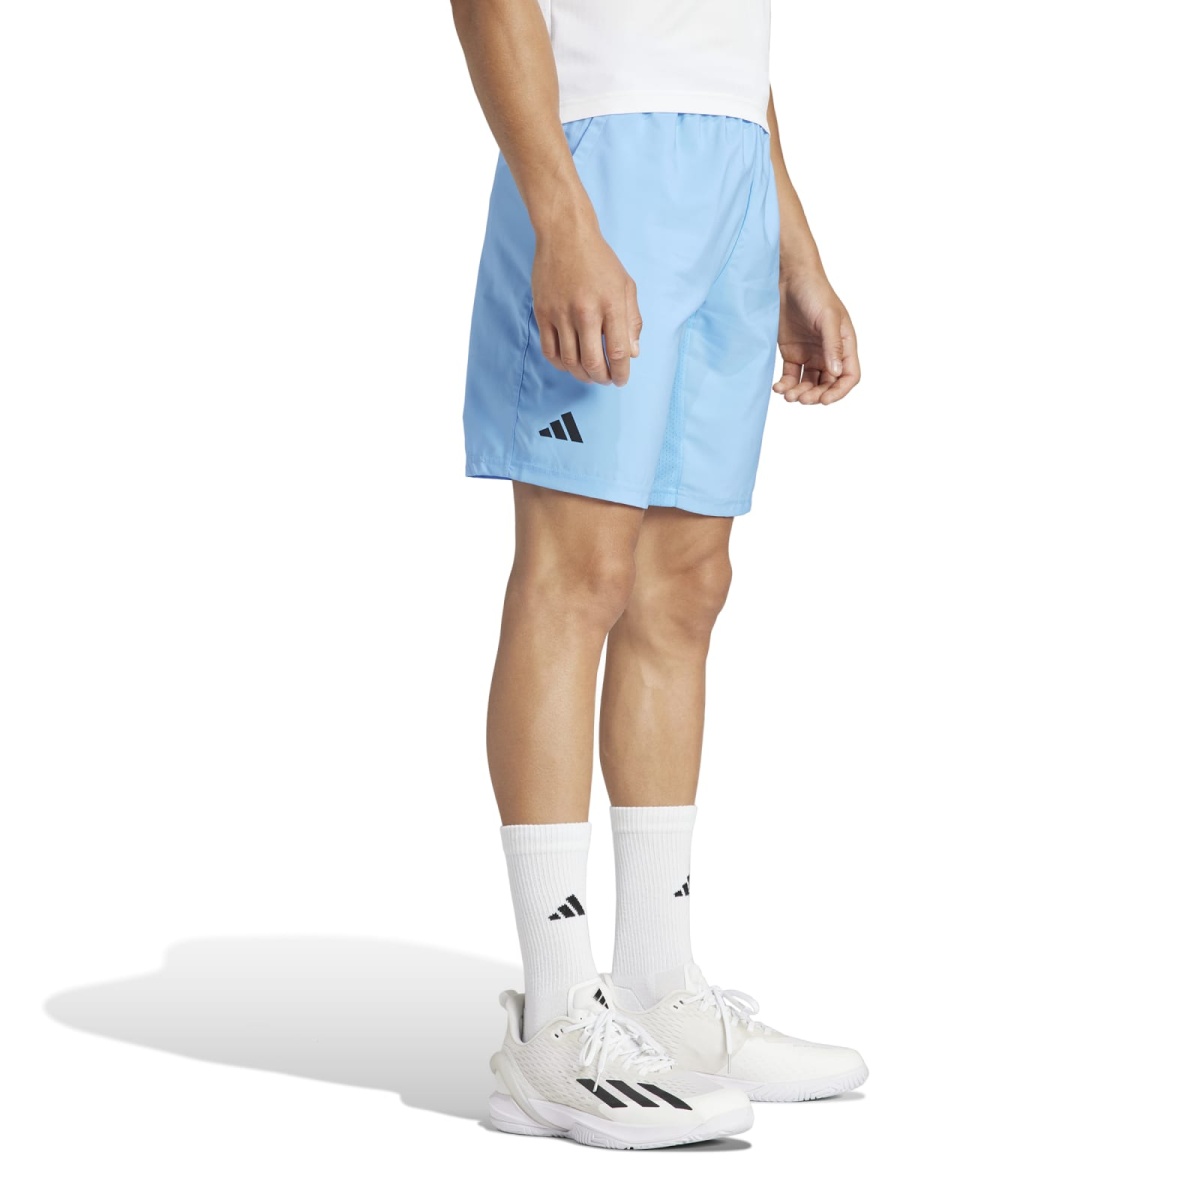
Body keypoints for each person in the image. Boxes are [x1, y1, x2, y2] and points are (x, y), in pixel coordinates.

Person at [450, 0, 866, 1148]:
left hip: (733, 176)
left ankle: (656, 987)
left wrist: (795, 250)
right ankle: (554, 1020)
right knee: (575, 573)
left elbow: (727, 52)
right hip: (601, 165)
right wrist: (559, 214)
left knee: (687, 584)